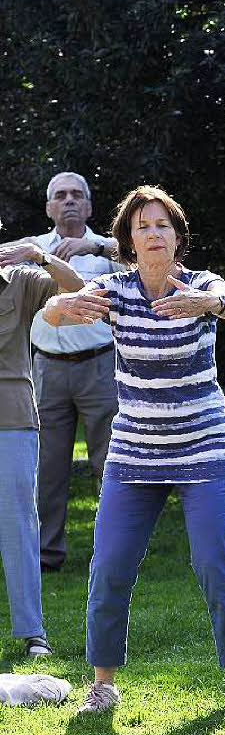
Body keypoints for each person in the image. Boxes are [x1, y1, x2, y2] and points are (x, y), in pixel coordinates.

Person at [41, 185, 225, 714]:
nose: (153, 233)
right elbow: (50, 315)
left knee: (212, 561)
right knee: (110, 565)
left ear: (177, 237)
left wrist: (209, 301)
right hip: (134, 455)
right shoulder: (114, 290)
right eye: (143, 227)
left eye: (162, 224)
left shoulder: (201, 286)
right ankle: (103, 682)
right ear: (130, 241)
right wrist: (60, 304)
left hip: (206, 450)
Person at [28, 172, 122, 572]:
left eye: (76, 195)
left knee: (110, 463)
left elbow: (144, 256)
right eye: (60, 195)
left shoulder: (106, 250)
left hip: (100, 366)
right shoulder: (34, 251)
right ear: (49, 206)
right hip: (47, 369)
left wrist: (96, 243)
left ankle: (113, 552)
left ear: (88, 205)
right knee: (47, 467)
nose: (68, 201)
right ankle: (47, 555)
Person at [0, 220, 83, 658]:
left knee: (18, 523)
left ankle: (33, 633)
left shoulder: (22, 279)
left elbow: (76, 287)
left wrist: (39, 255)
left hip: (11, 415)